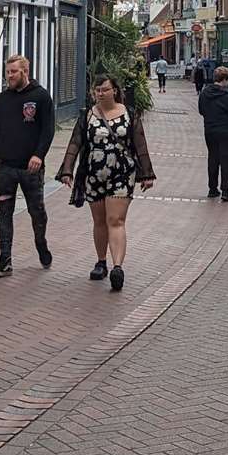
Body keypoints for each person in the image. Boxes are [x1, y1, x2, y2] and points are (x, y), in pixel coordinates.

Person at [58, 75, 157, 292]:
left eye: (104, 89)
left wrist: (147, 173)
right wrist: (67, 170)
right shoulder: (87, 115)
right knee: (99, 220)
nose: (100, 93)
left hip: (122, 172)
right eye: (97, 90)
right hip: (94, 173)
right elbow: (76, 142)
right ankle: (101, 261)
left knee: (116, 219)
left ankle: (117, 268)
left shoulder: (129, 114)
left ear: (114, 90)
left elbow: (140, 143)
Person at [0, 55, 55, 277]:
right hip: (6, 167)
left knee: (36, 212)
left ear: (25, 71)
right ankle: (5, 260)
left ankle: (41, 244)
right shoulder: (2, 100)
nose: (9, 76)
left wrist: (39, 155)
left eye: (14, 72)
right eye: (7, 72)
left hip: (30, 168)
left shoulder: (41, 97)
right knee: (4, 213)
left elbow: (48, 130)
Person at [198, 66, 228, 201]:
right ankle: (225, 191)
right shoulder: (226, 94)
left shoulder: (205, 93)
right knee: (225, 160)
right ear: (224, 79)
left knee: (212, 157)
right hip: (225, 131)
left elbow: (201, 110)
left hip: (210, 130)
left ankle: (212, 189)